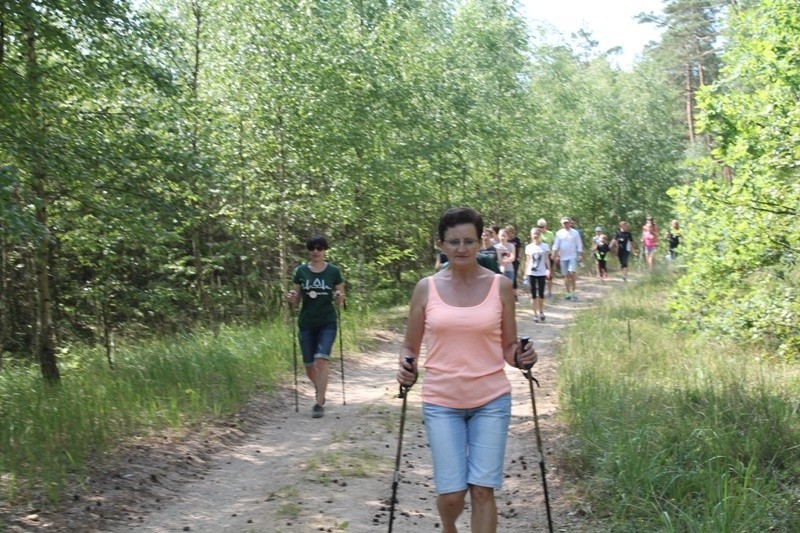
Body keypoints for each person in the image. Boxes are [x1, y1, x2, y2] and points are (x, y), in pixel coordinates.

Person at [396, 207, 537, 533]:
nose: (462, 249)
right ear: (441, 244)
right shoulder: (425, 288)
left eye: (469, 241)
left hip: (491, 399)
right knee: (452, 494)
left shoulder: (500, 286)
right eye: (454, 242)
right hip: (441, 401)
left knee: (482, 489)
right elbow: (409, 348)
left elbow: (509, 348)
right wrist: (407, 368)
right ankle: (449, 527)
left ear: (480, 243)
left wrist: (524, 356)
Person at [286, 235, 345, 419]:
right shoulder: (300, 271)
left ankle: (319, 402)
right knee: (310, 366)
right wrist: (291, 298)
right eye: (312, 248)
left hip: (327, 321)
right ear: (308, 250)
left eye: (320, 248)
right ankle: (320, 388)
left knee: (321, 360)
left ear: (325, 250)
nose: (316, 251)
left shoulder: (333, 271)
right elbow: (295, 301)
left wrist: (338, 297)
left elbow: (341, 300)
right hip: (306, 323)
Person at [551, 217, 583, 300]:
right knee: (565, 275)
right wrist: (554, 255)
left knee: (572, 273)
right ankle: (568, 292)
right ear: (562, 224)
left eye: (567, 222)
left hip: (572, 256)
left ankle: (574, 292)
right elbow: (556, 245)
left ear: (570, 223)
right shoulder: (559, 233)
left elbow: (579, 244)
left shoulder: (575, 233)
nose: (566, 224)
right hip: (563, 257)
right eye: (564, 223)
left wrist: (580, 255)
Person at [524, 227, 551, 323]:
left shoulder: (545, 246)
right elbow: (527, 261)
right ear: (531, 235)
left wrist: (549, 270)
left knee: (541, 294)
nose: (535, 235)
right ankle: (535, 314)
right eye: (533, 233)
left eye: (537, 233)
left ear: (540, 235)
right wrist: (525, 274)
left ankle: (541, 312)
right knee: (533, 294)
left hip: (542, 272)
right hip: (531, 272)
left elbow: (547, 259)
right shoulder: (528, 247)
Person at [536, 219, 556, 298]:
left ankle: (550, 291)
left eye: (542, 226)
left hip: (549, 256)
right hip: (539, 257)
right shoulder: (537, 234)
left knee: (549, 274)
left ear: (546, 226)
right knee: (539, 274)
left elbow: (554, 244)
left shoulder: (550, 234)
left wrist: (554, 254)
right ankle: (540, 290)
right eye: (539, 227)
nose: (541, 228)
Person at [506, 225, 523, 295]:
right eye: (507, 231)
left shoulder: (516, 239)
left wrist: (518, 257)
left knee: (514, 276)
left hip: (515, 261)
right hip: (506, 260)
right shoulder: (505, 239)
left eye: (509, 231)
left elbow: (519, 249)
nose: (508, 233)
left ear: (512, 231)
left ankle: (514, 293)